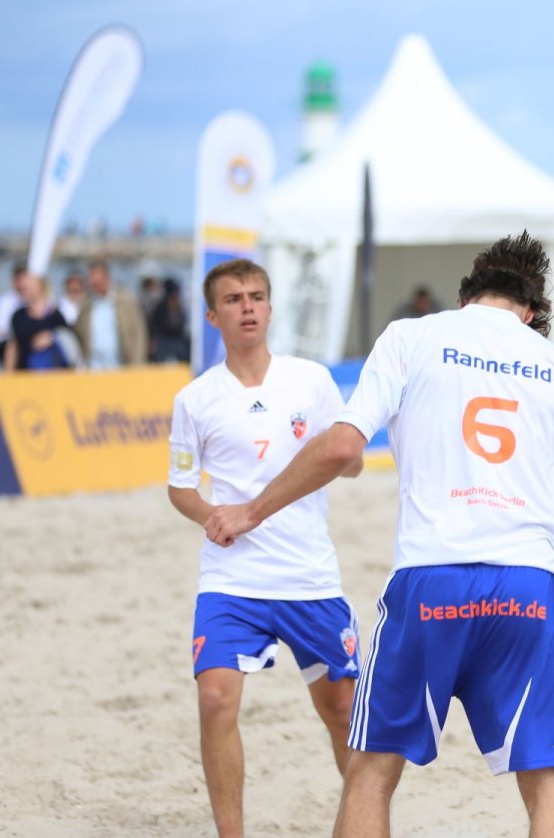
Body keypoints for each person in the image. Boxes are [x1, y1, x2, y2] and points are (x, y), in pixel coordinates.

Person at [203, 231, 554, 838]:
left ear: (465, 295)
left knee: (371, 772)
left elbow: (344, 445)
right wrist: (533, 559)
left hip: (431, 578)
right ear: (531, 312)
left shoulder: (413, 336)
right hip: (528, 587)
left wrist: (251, 511)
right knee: (551, 779)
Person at [167, 258, 363, 838]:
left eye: (256, 296)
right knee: (215, 702)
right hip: (232, 580)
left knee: (342, 713)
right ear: (213, 315)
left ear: (271, 309)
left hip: (308, 576)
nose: (247, 306)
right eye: (233, 299)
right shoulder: (196, 399)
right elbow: (181, 488)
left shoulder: (311, 381)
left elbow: (348, 464)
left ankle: (359, 823)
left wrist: (340, 457)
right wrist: (212, 517)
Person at [73, 259, 148, 369]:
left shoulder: (125, 302)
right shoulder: (86, 305)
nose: (92, 282)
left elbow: (139, 333)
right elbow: (79, 335)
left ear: (106, 277)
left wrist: (137, 363)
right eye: (91, 278)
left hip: (121, 366)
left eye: (96, 278)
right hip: (94, 367)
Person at [3, 273, 72, 371]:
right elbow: (12, 346)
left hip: (53, 375)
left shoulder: (56, 315)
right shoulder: (18, 316)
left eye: (29, 285)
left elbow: (69, 343)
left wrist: (52, 337)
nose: (24, 288)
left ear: (41, 287)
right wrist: (7, 374)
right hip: (24, 374)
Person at [149, 277, 192, 362]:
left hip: (178, 341)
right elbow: (154, 325)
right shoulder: (160, 307)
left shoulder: (180, 307)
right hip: (164, 341)